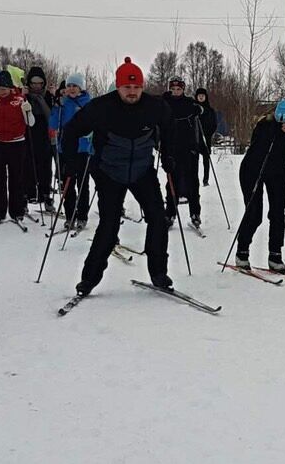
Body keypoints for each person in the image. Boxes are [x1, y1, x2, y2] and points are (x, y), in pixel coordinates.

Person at [58, 57, 172, 296]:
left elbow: (170, 131)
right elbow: (70, 131)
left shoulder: (155, 106)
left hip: (142, 170)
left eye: (137, 87)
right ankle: (89, 279)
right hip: (109, 171)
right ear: (118, 86)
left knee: (158, 218)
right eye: (127, 87)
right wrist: (70, 163)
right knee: (109, 225)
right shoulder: (101, 107)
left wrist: (170, 158)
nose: (132, 92)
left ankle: (159, 273)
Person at [233, 98, 285, 272]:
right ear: (278, 117)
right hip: (253, 169)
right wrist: (274, 134)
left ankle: (275, 254)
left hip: (278, 171)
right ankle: (242, 251)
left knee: (278, 213)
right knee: (255, 213)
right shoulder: (265, 125)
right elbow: (258, 147)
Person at [0, 70, 34, 227]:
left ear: (10, 88)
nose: (1, 92)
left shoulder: (19, 100)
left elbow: (30, 123)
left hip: (17, 143)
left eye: (3, 89)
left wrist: (28, 111)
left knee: (17, 178)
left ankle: (17, 211)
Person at [50, 73, 95, 230]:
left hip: (83, 149)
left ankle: (82, 216)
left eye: (75, 86)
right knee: (67, 183)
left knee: (82, 183)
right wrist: (56, 107)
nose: (71, 89)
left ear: (81, 87)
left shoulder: (88, 103)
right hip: (65, 149)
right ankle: (70, 215)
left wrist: (91, 135)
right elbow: (53, 124)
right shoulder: (63, 104)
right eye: (69, 86)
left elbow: (94, 124)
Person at [160, 77, 206, 228]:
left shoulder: (188, 103)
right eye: (173, 89)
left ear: (183, 89)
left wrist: (199, 109)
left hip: (189, 147)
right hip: (171, 148)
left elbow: (200, 109)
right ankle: (170, 212)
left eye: (179, 89)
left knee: (192, 180)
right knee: (172, 180)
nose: (176, 92)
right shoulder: (165, 103)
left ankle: (195, 213)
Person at [24, 66, 56, 214]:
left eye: (39, 83)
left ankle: (46, 195)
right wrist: (23, 97)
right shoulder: (25, 97)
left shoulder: (47, 96)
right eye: (33, 83)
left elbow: (51, 116)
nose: (36, 86)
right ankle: (27, 195)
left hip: (44, 136)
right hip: (28, 136)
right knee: (28, 167)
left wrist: (43, 100)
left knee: (45, 167)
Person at [194, 87, 217, 186]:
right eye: (199, 96)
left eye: (203, 96)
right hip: (195, 138)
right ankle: (194, 178)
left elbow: (214, 124)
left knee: (206, 159)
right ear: (197, 97)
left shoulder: (210, 110)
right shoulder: (194, 109)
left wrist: (209, 133)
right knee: (194, 160)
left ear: (205, 97)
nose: (201, 97)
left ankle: (205, 179)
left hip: (206, 137)